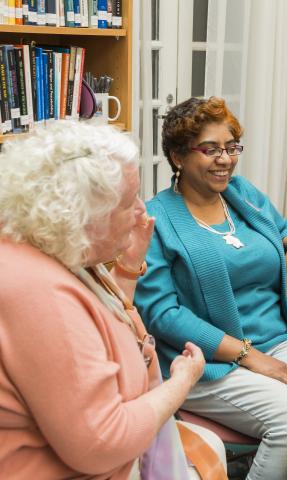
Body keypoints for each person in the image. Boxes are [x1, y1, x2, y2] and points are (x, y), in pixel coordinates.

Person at [134, 96, 287, 480]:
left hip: (277, 340)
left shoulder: (241, 194)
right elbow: (162, 314)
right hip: (205, 362)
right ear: (178, 157)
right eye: (210, 150)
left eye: (231, 147)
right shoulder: (156, 217)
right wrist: (248, 356)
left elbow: (284, 227)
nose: (225, 159)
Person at [0, 121, 226, 479]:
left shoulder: (54, 249)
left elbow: (101, 328)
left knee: (208, 444)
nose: (142, 212)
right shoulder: (39, 295)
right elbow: (103, 442)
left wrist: (129, 266)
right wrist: (181, 383)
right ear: (82, 216)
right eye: (127, 203)